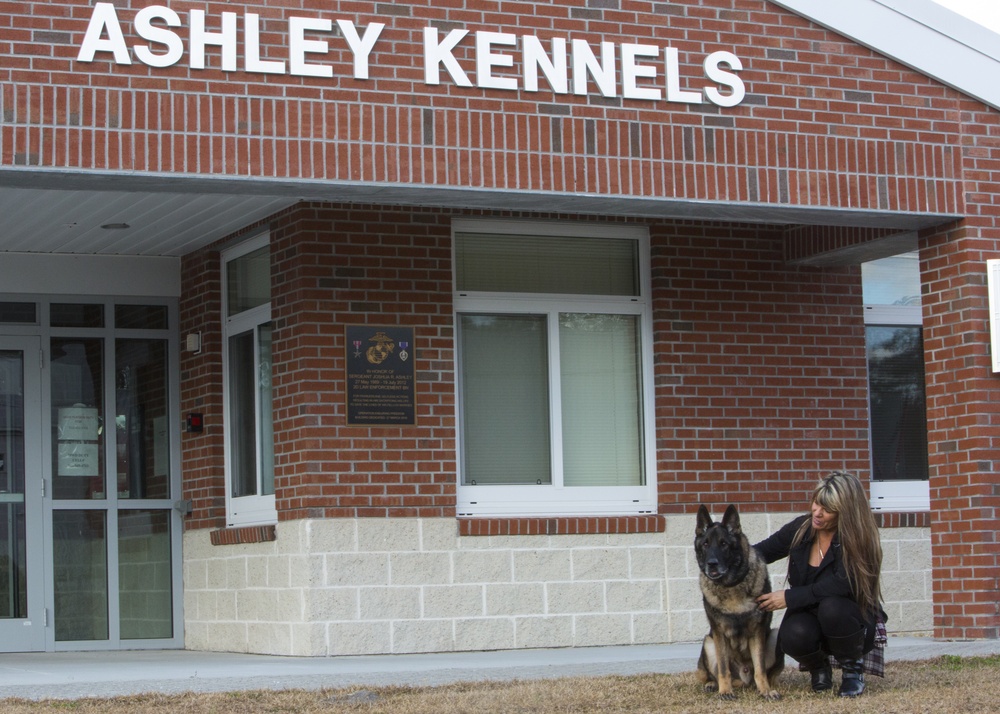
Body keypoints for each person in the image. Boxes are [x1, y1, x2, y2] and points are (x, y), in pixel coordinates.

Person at [754, 471, 885, 698]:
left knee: (832, 607)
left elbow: (840, 585)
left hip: (850, 620)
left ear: (846, 513)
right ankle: (819, 669)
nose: (817, 512)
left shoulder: (857, 540)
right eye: (816, 502)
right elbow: (761, 552)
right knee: (791, 634)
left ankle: (853, 671)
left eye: (827, 509)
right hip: (810, 615)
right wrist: (725, 551)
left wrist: (788, 597)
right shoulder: (802, 528)